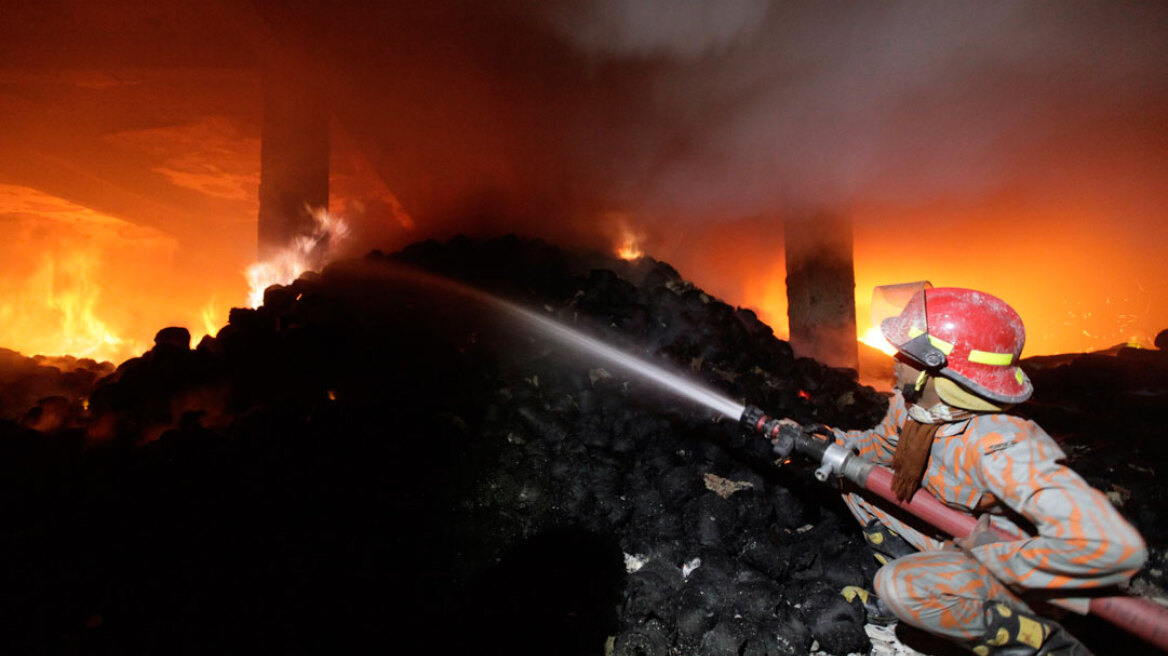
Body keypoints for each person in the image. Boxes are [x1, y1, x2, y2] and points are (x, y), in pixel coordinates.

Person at [833, 284, 1146, 655]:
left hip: (1019, 573)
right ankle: (939, 602)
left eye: (908, 353)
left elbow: (1112, 548)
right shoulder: (915, 407)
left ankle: (1045, 643)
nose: (895, 359)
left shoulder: (1001, 444)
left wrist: (1001, 557)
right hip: (953, 538)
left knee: (897, 585)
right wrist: (825, 440)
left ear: (938, 371)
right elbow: (881, 446)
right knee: (851, 481)